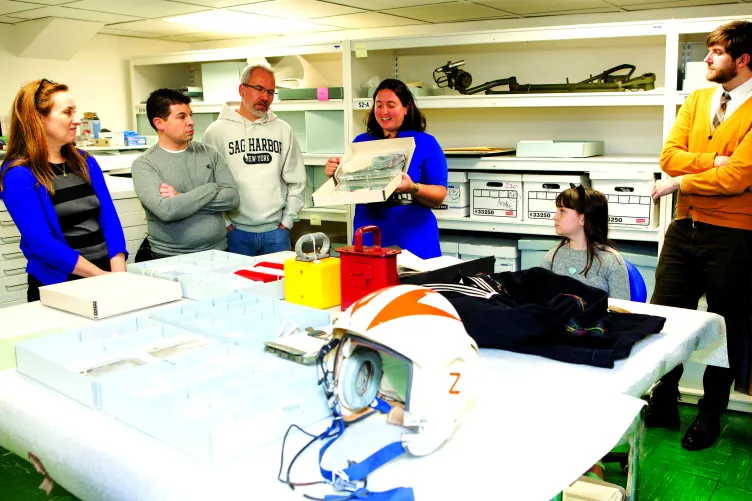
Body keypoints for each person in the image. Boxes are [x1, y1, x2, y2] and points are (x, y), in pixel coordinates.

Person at [647, 20, 752, 451]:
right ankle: (664, 400)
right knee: (667, 319)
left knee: (723, 329)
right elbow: (669, 155)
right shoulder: (697, 99)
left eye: (717, 52)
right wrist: (714, 158)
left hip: (733, 235)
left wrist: (682, 182)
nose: (706, 59)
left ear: (743, 60)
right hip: (683, 229)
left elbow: (740, 176)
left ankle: (710, 415)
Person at [0, 79, 127, 301]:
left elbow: (109, 219)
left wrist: (118, 272)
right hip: (61, 283)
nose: (76, 120)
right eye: (67, 113)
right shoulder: (18, 174)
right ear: (39, 118)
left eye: (74, 112)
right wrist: (100, 277)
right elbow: (42, 243)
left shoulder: (85, 162)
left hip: (106, 274)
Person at [324, 79, 448, 259]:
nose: (384, 111)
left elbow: (439, 194)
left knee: (413, 286)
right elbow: (348, 188)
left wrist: (412, 187)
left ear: (406, 107)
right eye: (379, 105)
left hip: (413, 237)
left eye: (391, 105)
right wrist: (335, 175)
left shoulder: (426, 143)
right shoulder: (361, 142)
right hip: (369, 234)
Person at [202, 64, 305, 256]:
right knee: (238, 284)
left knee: (280, 284)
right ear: (242, 89)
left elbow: (297, 180)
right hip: (235, 233)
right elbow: (207, 183)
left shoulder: (283, 130)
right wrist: (226, 224)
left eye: (271, 92)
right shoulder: (217, 132)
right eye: (259, 89)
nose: (265, 97)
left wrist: (287, 222)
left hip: (276, 232)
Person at [131, 89, 239, 261]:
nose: (191, 122)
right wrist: (210, 188)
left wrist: (181, 197)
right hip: (170, 258)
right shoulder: (144, 164)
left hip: (218, 253)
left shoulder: (209, 153)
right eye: (182, 117)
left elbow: (232, 198)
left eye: (190, 115)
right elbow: (167, 210)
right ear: (159, 123)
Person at [541, 185, 630, 300]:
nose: (554, 217)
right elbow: (541, 305)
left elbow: (620, 313)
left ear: (583, 219)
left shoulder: (611, 261)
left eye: (562, 211)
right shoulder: (551, 257)